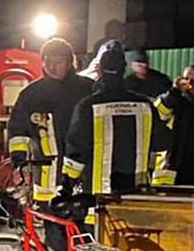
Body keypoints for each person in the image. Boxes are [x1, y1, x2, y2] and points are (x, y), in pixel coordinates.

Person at [62, 49, 172, 197]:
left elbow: (76, 151)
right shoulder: (145, 105)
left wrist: (67, 185)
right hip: (136, 194)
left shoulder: (87, 106)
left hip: (98, 198)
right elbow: (162, 142)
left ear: (100, 70)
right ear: (124, 69)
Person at [5, 37, 94, 202]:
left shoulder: (88, 90)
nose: (52, 67)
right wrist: (20, 163)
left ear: (70, 62)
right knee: (51, 224)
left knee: (83, 227)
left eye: (58, 62)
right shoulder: (30, 95)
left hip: (84, 179)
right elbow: (17, 133)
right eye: (48, 61)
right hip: (46, 181)